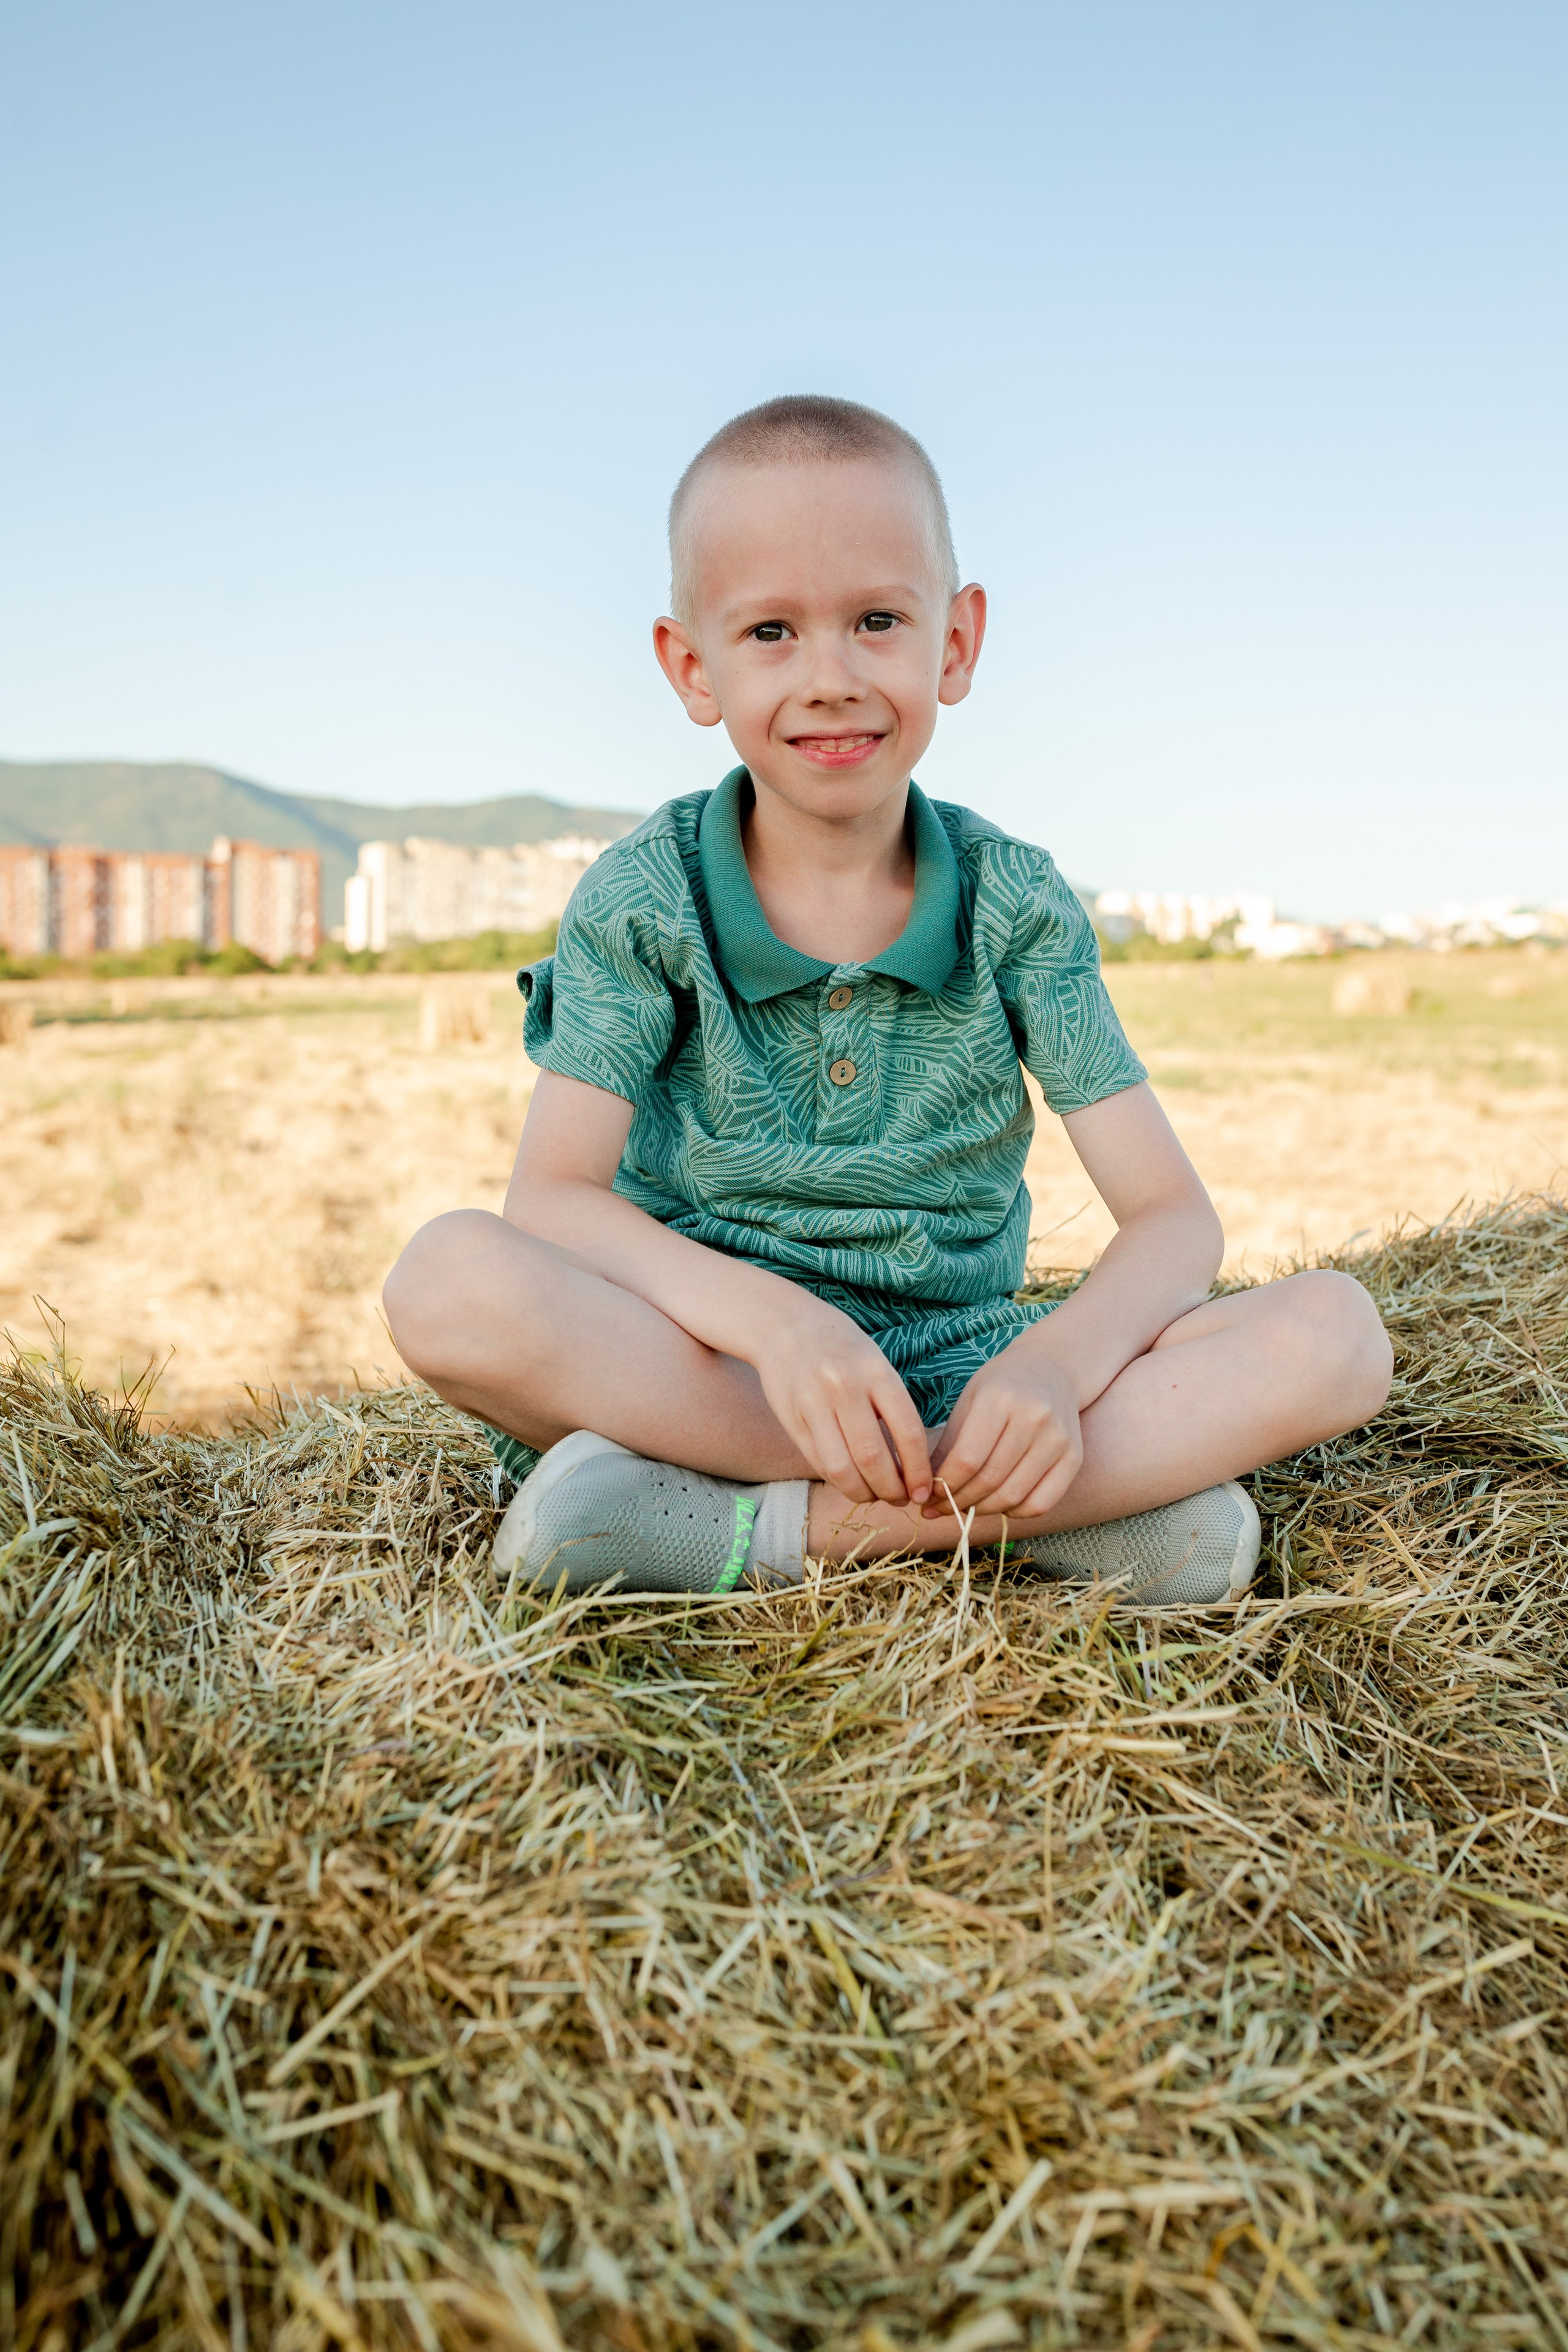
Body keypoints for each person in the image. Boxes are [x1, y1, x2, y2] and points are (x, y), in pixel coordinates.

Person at [384, 396, 1392, 1605]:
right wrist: (780, 1328)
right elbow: (549, 1200)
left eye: (875, 620)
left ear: (953, 645)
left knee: (1335, 1337)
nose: (829, 678)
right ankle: (1051, 1524)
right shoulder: (641, 899)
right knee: (443, 1281)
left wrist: (1056, 1377)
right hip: (717, 1374)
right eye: (768, 631)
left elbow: (1172, 1220)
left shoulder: (1013, 902)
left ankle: (757, 1531)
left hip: (968, 1370)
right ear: (689, 667)